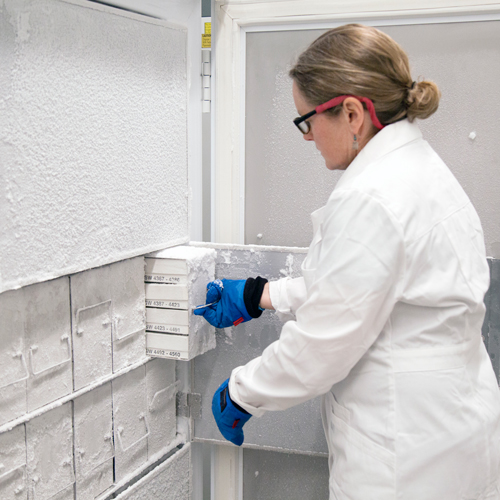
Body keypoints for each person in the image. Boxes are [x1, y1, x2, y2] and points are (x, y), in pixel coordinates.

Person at [194, 24, 500, 499]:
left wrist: (241, 391)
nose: (307, 136)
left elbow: (323, 345)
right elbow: (365, 289)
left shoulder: (373, 197)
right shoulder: (419, 170)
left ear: (353, 113)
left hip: (405, 454)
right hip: (453, 428)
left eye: (307, 121)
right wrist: (259, 295)